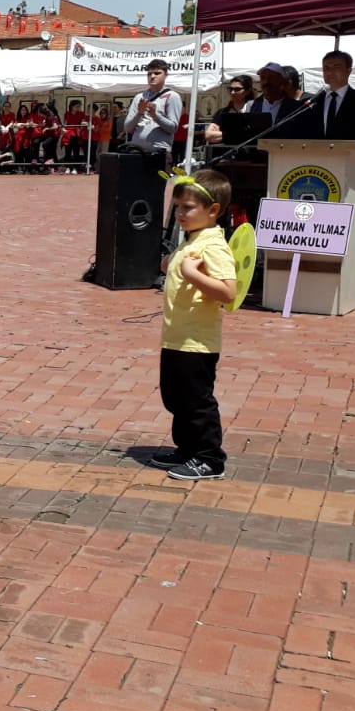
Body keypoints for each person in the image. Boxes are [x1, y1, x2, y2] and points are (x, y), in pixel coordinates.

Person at [152, 170, 237, 482]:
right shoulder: (192, 241)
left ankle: (209, 458)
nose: (180, 214)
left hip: (197, 342)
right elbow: (176, 264)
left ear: (212, 210)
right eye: (177, 207)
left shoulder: (213, 246)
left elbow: (229, 292)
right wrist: (171, 262)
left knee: (197, 401)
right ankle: (186, 448)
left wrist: (191, 275)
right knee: (175, 398)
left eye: (187, 208)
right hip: (176, 337)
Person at [276, 50, 355, 156]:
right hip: (316, 165)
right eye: (326, 68)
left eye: (336, 67)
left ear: (348, 70)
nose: (329, 72)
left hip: (350, 162)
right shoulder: (311, 103)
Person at [120, 59, 181, 157]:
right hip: (136, 150)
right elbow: (127, 128)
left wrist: (155, 116)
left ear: (166, 75)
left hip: (159, 151)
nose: (152, 76)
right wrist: (139, 113)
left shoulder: (172, 96)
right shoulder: (139, 97)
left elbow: (173, 128)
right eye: (149, 74)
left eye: (157, 73)